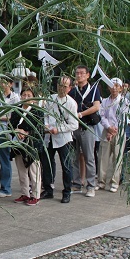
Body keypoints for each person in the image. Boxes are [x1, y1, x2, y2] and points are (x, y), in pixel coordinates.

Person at [41, 75, 79, 203]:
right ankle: (48, 188)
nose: (61, 88)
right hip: (49, 136)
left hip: (64, 138)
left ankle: (67, 191)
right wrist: (46, 125)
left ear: (69, 88)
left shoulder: (71, 103)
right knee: (47, 163)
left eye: (64, 86)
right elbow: (45, 115)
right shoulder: (51, 99)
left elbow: (74, 124)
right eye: (59, 85)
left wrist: (59, 128)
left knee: (66, 165)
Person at [68, 65, 102, 197]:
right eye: (77, 73)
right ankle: (76, 183)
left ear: (88, 75)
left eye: (82, 73)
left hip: (87, 126)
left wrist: (81, 114)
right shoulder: (73, 91)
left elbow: (96, 106)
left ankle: (91, 185)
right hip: (74, 128)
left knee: (89, 157)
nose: (79, 75)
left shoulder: (93, 90)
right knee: (74, 157)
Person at [10, 85, 45, 205]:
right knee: (21, 171)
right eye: (24, 95)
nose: (26, 97)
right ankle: (25, 193)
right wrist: (16, 130)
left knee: (34, 171)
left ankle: (36, 195)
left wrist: (26, 133)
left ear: (34, 98)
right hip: (18, 144)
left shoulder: (37, 112)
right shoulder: (17, 109)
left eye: (29, 95)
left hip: (32, 145)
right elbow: (10, 125)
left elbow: (40, 130)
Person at [97, 78, 127, 193]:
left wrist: (113, 130)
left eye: (116, 86)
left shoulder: (124, 101)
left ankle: (115, 182)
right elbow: (102, 115)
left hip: (119, 131)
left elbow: (122, 117)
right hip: (106, 129)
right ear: (108, 87)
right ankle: (101, 181)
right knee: (103, 156)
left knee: (117, 157)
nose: (114, 88)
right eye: (112, 85)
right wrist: (108, 128)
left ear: (120, 88)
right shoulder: (104, 101)